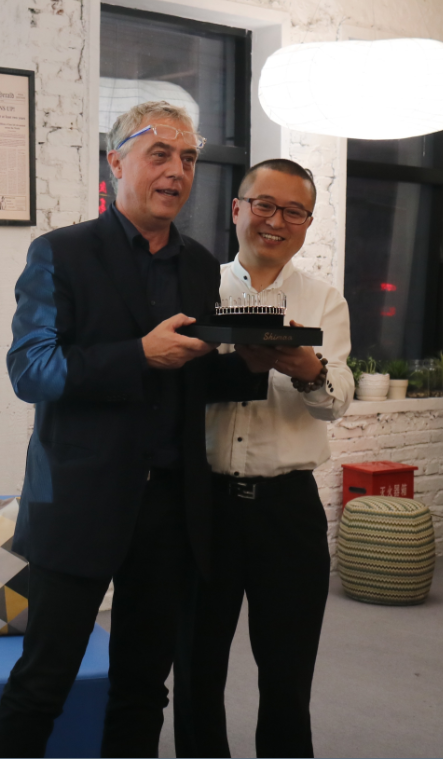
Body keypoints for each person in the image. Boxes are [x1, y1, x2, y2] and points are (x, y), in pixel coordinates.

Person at [0, 101, 270, 759]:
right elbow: (30, 370)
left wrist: (253, 364)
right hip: (79, 501)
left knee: (143, 689)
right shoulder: (60, 253)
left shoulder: (200, 266)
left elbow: (188, 378)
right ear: (115, 162)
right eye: (159, 154)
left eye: (189, 158)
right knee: (42, 683)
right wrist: (137, 354)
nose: (177, 171)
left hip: (170, 509)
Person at [174, 159, 353, 759]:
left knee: (287, 674)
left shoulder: (324, 300)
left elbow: (335, 403)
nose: (276, 221)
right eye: (264, 205)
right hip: (204, 506)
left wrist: (309, 370)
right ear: (237, 209)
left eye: (294, 211)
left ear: (307, 223)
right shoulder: (198, 289)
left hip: (287, 511)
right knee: (196, 668)